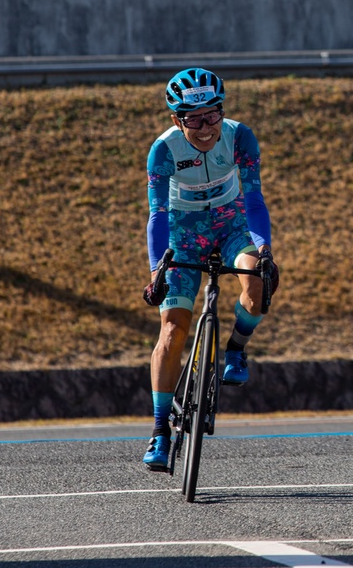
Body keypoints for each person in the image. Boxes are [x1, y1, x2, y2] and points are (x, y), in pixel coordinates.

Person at [140, 67, 277, 471]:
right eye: (193, 119)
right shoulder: (163, 151)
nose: (204, 128)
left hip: (232, 224)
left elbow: (254, 200)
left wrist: (263, 247)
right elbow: (158, 214)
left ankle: (235, 351)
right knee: (172, 330)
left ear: (222, 111)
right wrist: (156, 268)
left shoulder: (240, 137)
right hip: (183, 232)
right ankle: (160, 430)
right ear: (175, 120)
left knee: (258, 279)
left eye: (212, 115)